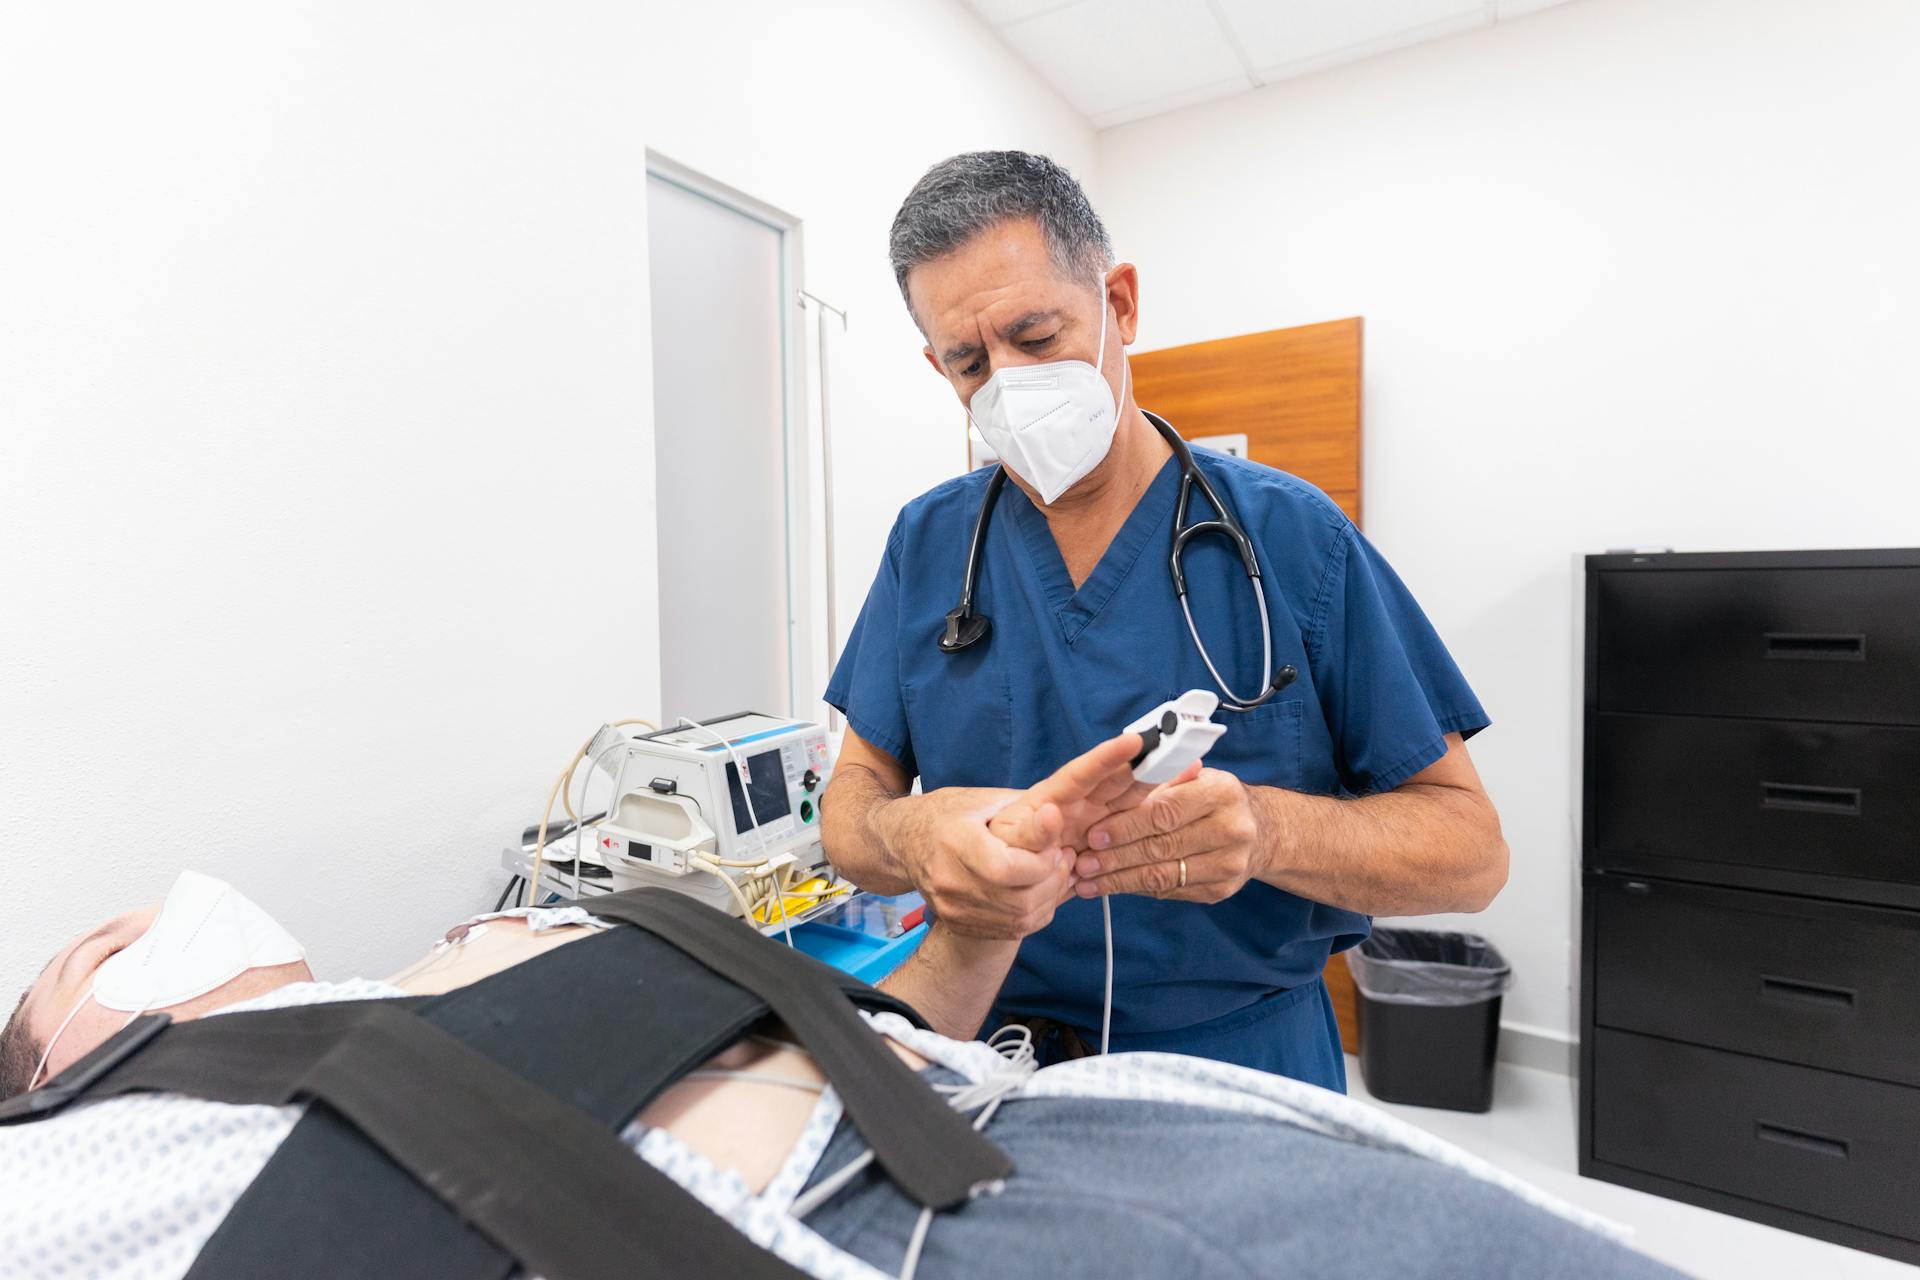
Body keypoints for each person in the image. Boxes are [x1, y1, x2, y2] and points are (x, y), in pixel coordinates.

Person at [0, 743, 1677, 1280]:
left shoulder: (468, 953)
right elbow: (848, 822)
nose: (151, 921)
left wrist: (964, 921)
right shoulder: (85, 1158)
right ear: (68, 1048)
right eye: (91, 944)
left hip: (1066, 1131)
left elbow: (866, 1057)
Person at [820, 151, 1508, 1085]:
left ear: (1122, 304)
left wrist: (1270, 832)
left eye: (1036, 335)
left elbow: (1471, 854)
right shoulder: (931, 543)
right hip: (992, 1055)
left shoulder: (1289, 536)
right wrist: (911, 833)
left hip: (1244, 1061)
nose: (1008, 385)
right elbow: (850, 812)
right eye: (969, 361)